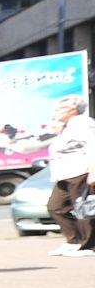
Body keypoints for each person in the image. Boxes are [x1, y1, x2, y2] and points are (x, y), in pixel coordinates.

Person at [44, 95, 95, 256]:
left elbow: (93, 146)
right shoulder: (66, 126)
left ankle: (89, 246)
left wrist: (93, 172)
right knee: (55, 207)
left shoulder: (83, 123)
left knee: (83, 210)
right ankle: (73, 241)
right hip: (64, 174)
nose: (55, 112)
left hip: (80, 171)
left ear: (73, 110)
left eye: (59, 109)